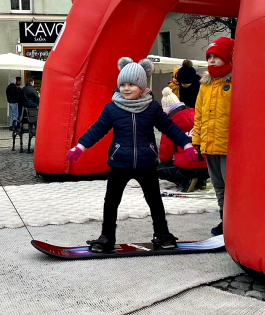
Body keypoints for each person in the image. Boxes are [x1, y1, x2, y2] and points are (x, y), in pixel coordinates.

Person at [66, 58, 198, 253]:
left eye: (131, 84)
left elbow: (170, 128)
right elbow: (97, 129)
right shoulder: (112, 108)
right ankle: (107, 237)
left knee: (154, 200)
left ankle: (162, 234)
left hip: (146, 164)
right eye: (123, 84)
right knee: (111, 201)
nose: (126, 88)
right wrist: (80, 146)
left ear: (142, 86)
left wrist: (187, 144)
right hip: (120, 163)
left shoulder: (152, 108)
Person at [192, 37, 234, 236]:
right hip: (210, 144)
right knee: (218, 185)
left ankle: (235, 221)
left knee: (231, 186)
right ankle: (223, 220)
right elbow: (199, 113)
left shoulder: (235, 81)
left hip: (229, 145)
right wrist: (197, 140)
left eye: (217, 56)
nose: (212, 60)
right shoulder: (205, 84)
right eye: (210, 57)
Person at [157, 87, 209, 192]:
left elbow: (165, 155)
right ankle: (201, 180)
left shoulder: (170, 123)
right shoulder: (197, 114)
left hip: (186, 168)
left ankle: (185, 181)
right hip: (208, 166)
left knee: (157, 168)